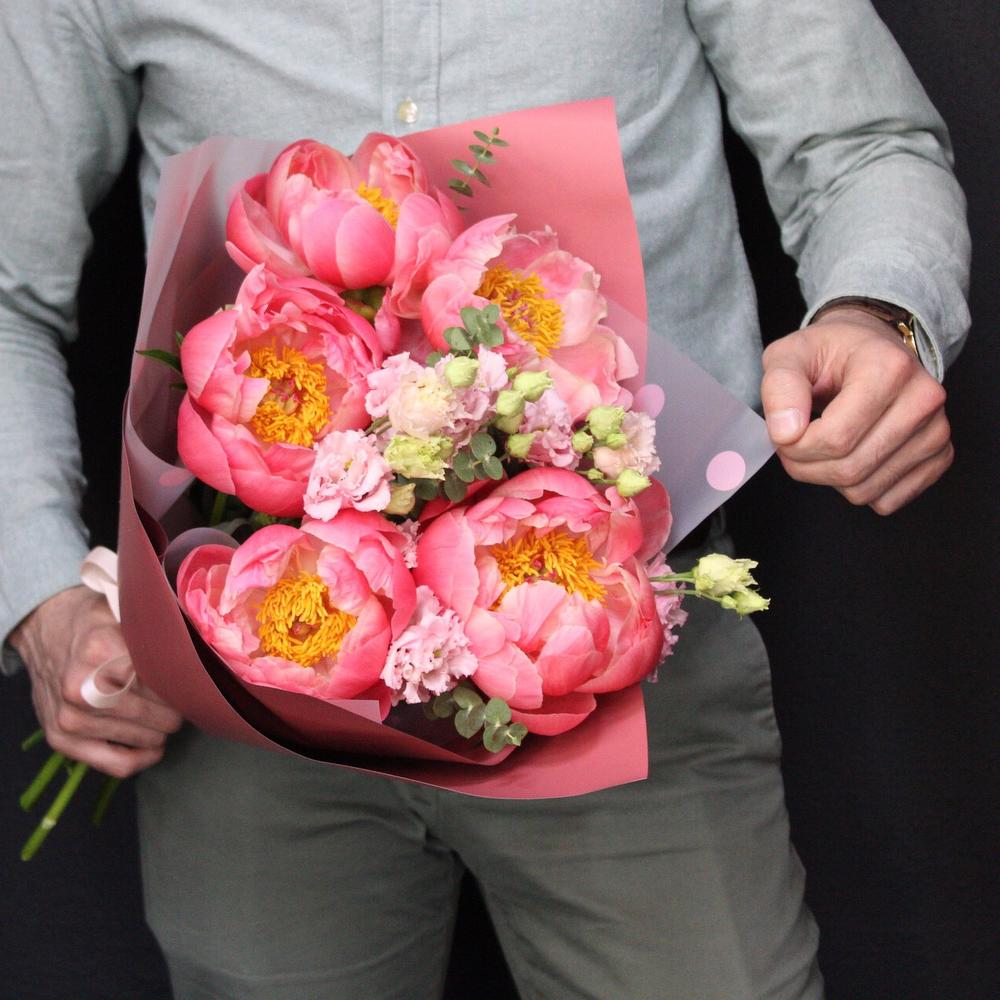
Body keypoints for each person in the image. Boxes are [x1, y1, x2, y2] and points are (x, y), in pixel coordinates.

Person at [0, 2, 969, 998]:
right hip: (256, 674)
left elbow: (862, 144)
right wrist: (40, 597)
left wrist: (878, 313)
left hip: (622, 635)